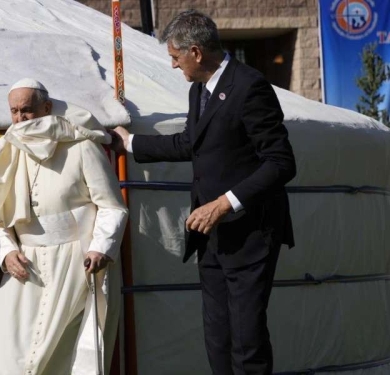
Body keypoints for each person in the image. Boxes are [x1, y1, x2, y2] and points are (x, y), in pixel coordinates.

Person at [111, 10, 296, 375]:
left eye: (175, 59)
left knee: (246, 340)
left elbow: (281, 163)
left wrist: (225, 203)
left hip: (250, 234)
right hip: (210, 236)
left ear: (195, 52)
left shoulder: (250, 86)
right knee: (217, 336)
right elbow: (191, 144)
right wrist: (131, 143)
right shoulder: (200, 91)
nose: (174, 67)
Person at [0, 78, 128, 375]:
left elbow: (112, 207)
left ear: (47, 107)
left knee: (65, 355)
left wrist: (100, 247)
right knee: (6, 353)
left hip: (75, 265)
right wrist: (6, 253)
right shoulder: (8, 151)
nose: (19, 118)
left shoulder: (82, 146)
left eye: (27, 110)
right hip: (26, 266)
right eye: (14, 111)